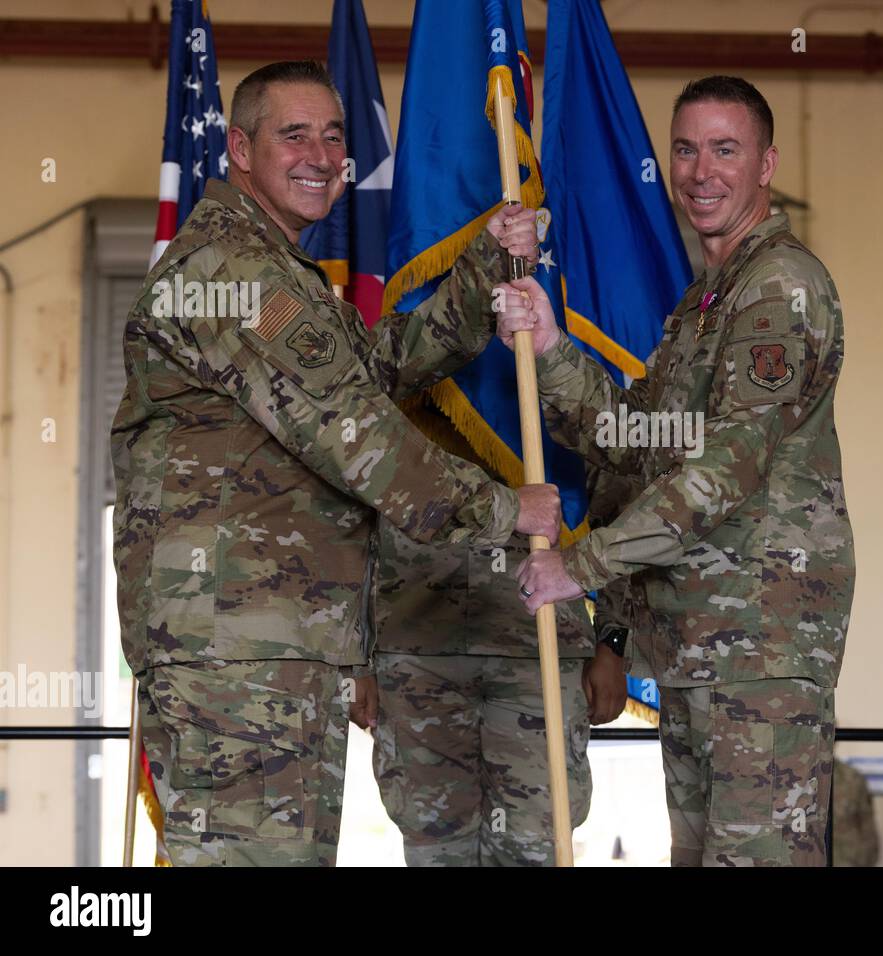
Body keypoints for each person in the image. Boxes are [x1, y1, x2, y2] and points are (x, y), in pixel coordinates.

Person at [111, 60, 556, 866]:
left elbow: (369, 373)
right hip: (237, 649)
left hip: (275, 643)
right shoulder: (231, 274)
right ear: (240, 150)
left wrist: (488, 265)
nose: (320, 154)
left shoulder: (279, 272)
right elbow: (355, 431)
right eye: (294, 135)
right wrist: (507, 509)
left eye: (333, 135)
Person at [496, 76, 855, 866]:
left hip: (760, 650)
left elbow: (728, 465)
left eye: (726, 150)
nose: (702, 172)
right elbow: (631, 439)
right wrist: (554, 349)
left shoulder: (779, 286)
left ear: (767, 164)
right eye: (686, 150)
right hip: (699, 649)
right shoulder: (705, 302)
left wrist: (579, 569)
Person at [347, 405, 626, 865]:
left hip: (541, 650)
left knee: (537, 844)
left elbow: (613, 510)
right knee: (435, 843)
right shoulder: (397, 372)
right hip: (416, 646)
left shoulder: (561, 376)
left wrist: (613, 642)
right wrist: (354, 658)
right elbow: (353, 517)